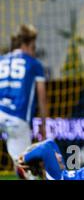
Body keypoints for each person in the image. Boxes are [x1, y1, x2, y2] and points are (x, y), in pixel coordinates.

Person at [0, 24, 47, 172]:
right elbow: (42, 97)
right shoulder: (34, 64)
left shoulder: (1, 60)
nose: (34, 51)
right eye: (33, 47)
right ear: (26, 45)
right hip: (18, 118)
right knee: (22, 165)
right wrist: (43, 124)